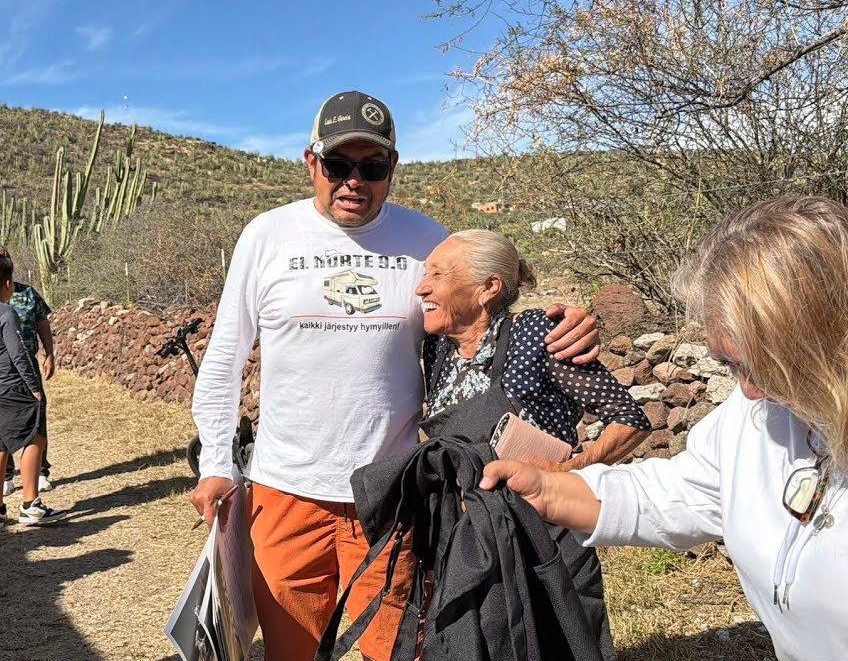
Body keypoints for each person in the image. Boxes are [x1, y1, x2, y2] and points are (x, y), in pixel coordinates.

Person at [189, 90, 602, 661]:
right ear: (312, 162)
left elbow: (484, 304)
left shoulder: (425, 238)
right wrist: (215, 466)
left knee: (399, 649)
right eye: (338, 165)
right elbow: (223, 361)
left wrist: (564, 320)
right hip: (285, 490)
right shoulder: (267, 236)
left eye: (373, 167)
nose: (354, 181)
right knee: (292, 650)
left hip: (393, 492)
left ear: (393, 168)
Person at [480, 195, 848, 661]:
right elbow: (682, 492)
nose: (750, 391)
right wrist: (551, 491)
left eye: (766, 365)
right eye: (730, 365)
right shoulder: (753, 416)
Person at [416, 229, 651, 660]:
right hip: (472, 533)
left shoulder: (535, 334)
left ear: (489, 288)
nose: (421, 287)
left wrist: (562, 473)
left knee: (560, 637)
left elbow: (630, 421)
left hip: (544, 530)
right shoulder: (437, 349)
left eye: (438, 274)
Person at [0, 256, 64, 526]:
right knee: (35, 438)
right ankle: (31, 505)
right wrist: (34, 388)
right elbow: (18, 353)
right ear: (8, 284)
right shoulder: (5, 312)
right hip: (8, 386)